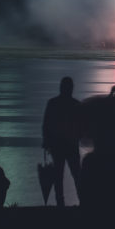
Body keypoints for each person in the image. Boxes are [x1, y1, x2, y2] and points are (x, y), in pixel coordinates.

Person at [42, 77, 82, 207]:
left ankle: (60, 203)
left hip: (57, 145)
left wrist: (46, 141)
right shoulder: (76, 104)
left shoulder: (53, 103)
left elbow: (46, 124)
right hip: (70, 145)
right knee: (76, 175)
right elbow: (81, 126)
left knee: (59, 176)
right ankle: (83, 201)